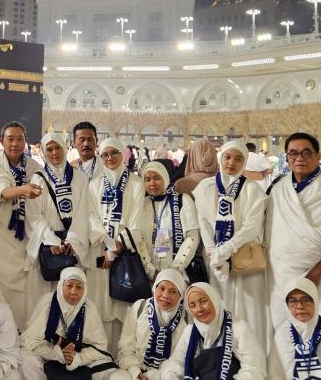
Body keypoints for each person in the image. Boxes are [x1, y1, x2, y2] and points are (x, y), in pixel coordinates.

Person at [266, 132, 321, 331]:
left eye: (306, 153)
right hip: (281, 274)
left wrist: (315, 274)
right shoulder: (279, 188)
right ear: (287, 157)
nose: (299, 158)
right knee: (285, 333)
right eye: (293, 153)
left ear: (317, 156)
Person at [191, 139, 269, 352]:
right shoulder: (205, 187)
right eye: (227, 157)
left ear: (244, 162)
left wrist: (225, 250)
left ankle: (250, 355)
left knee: (248, 310)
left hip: (245, 261)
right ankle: (220, 355)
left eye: (238, 159)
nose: (231, 163)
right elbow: (203, 223)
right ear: (221, 158)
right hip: (216, 261)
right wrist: (212, 250)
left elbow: (251, 227)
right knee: (219, 305)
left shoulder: (252, 189)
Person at [0, 121, 56, 328]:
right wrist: (23, 190)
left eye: (19, 139)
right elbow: (0, 192)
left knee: (25, 288)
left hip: (27, 237)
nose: (15, 144)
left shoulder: (34, 167)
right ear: (1, 141)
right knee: (0, 284)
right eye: (10, 139)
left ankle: (21, 330)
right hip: (1, 235)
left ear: (26, 141)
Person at [19, 266, 115, 380]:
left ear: (85, 289)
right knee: (23, 359)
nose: (73, 292)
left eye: (79, 287)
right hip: (49, 360)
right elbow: (29, 340)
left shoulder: (89, 308)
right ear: (61, 285)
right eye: (69, 285)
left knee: (108, 369)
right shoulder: (47, 303)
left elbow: (99, 347)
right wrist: (56, 354)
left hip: (78, 362)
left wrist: (77, 358)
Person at [98, 269, 189, 380]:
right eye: (162, 288)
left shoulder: (186, 321)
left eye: (173, 291)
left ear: (181, 296)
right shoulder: (140, 308)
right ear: (154, 288)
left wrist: (157, 377)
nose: (165, 295)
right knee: (115, 378)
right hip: (137, 371)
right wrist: (136, 373)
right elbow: (126, 348)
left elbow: (180, 361)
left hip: (165, 378)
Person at [87, 137, 148, 351]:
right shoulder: (95, 184)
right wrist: (106, 244)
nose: (110, 158)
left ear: (123, 154)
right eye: (105, 155)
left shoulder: (136, 183)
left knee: (124, 303)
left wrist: (114, 249)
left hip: (124, 252)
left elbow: (135, 222)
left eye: (114, 153)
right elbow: (91, 217)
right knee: (101, 303)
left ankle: (124, 354)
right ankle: (102, 352)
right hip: (100, 252)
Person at [37, 132, 90, 272]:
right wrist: (51, 240)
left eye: (58, 148)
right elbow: (34, 215)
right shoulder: (39, 179)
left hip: (74, 246)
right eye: (49, 149)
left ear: (64, 148)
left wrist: (73, 240)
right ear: (44, 153)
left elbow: (84, 212)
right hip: (49, 246)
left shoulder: (80, 178)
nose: (54, 153)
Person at [139, 161, 200, 275]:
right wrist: (150, 270)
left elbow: (192, 237)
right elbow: (138, 238)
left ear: (165, 177)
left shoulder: (182, 201)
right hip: (146, 273)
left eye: (157, 178)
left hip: (177, 271)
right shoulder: (141, 204)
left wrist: (175, 269)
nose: (152, 183)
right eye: (147, 179)